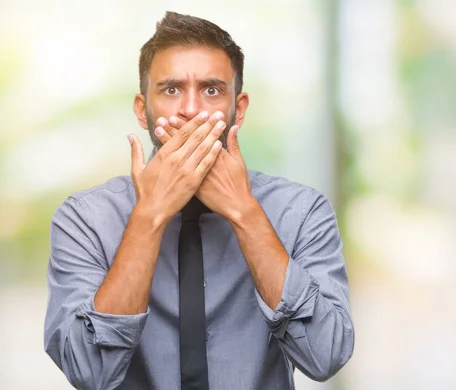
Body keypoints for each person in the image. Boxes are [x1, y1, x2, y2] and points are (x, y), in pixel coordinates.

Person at [44, 11, 354, 390]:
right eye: (171, 89)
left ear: (237, 108)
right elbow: (89, 372)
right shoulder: (85, 219)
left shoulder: (302, 212)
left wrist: (244, 212)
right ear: (143, 110)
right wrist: (149, 215)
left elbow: (326, 357)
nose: (191, 110)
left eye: (211, 89)